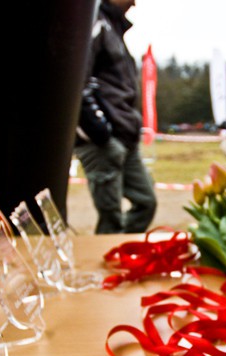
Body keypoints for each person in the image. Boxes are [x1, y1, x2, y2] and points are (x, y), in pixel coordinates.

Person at [74, 0, 157, 234]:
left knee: (146, 202)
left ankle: (122, 254)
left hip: (125, 137)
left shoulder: (114, 28)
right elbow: (77, 80)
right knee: (111, 220)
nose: (135, 3)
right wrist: (99, 131)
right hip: (103, 140)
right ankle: (110, 258)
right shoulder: (94, 22)